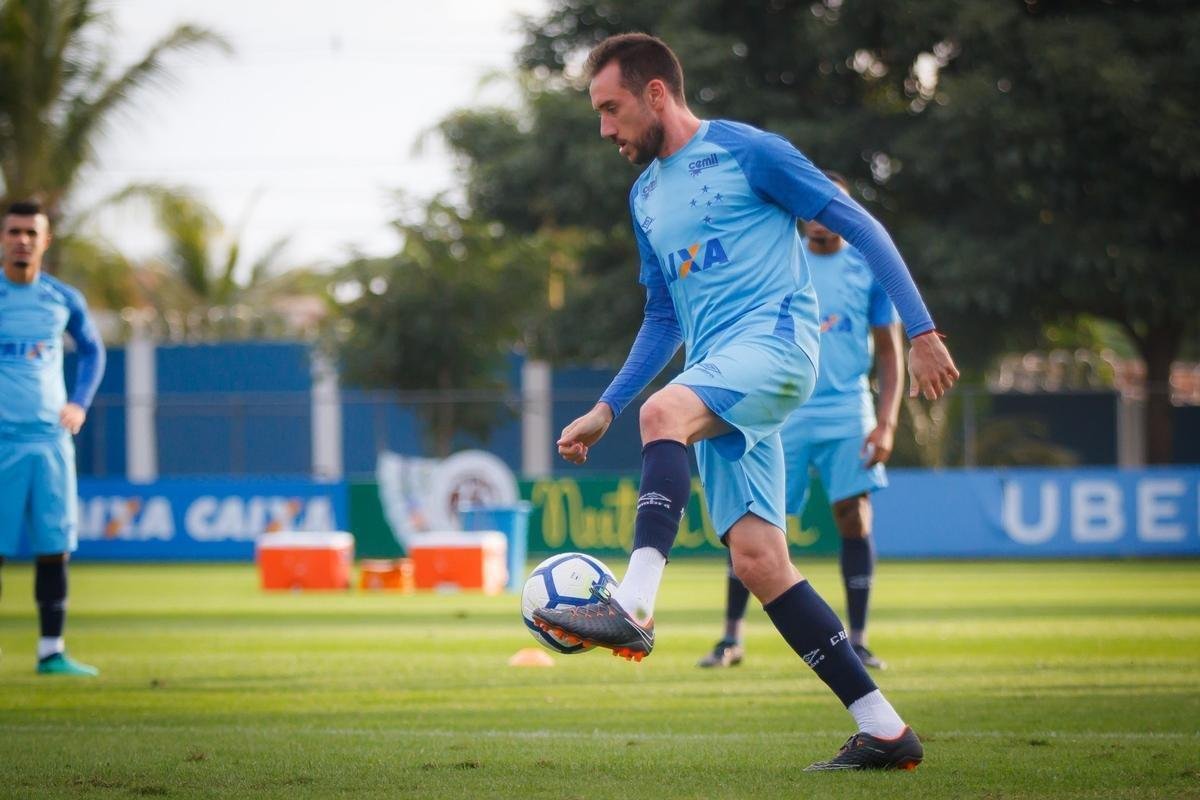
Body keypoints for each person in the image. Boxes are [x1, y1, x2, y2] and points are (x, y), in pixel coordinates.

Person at [531, 33, 959, 771]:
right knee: (760, 562)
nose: (604, 128)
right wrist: (606, 406)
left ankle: (633, 602)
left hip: (781, 347)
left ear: (656, 93)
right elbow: (663, 318)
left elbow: (862, 225)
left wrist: (920, 329)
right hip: (721, 369)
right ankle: (886, 731)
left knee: (665, 414)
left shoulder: (749, 152)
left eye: (611, 107)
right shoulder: (643, 198)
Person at [698, 172, 903, 672]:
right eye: (809, 208)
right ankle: (730, 638)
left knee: (853, 516)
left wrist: (887, 422)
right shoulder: (780, 256)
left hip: (846, 409)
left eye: (827, 208)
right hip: (783, 406)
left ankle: (858, 639)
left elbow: (891, 353)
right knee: (754, 522)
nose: (817, 218)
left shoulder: (867, 264)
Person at [0, 200, 106, 676]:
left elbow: (92, 350)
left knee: (54, 544)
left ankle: (51, 652)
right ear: (2, 238)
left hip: (49, 440)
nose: (22, 239)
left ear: (45, 241)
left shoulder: (62, 299)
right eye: (14, 231)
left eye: (30, 232)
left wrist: (79, 402)